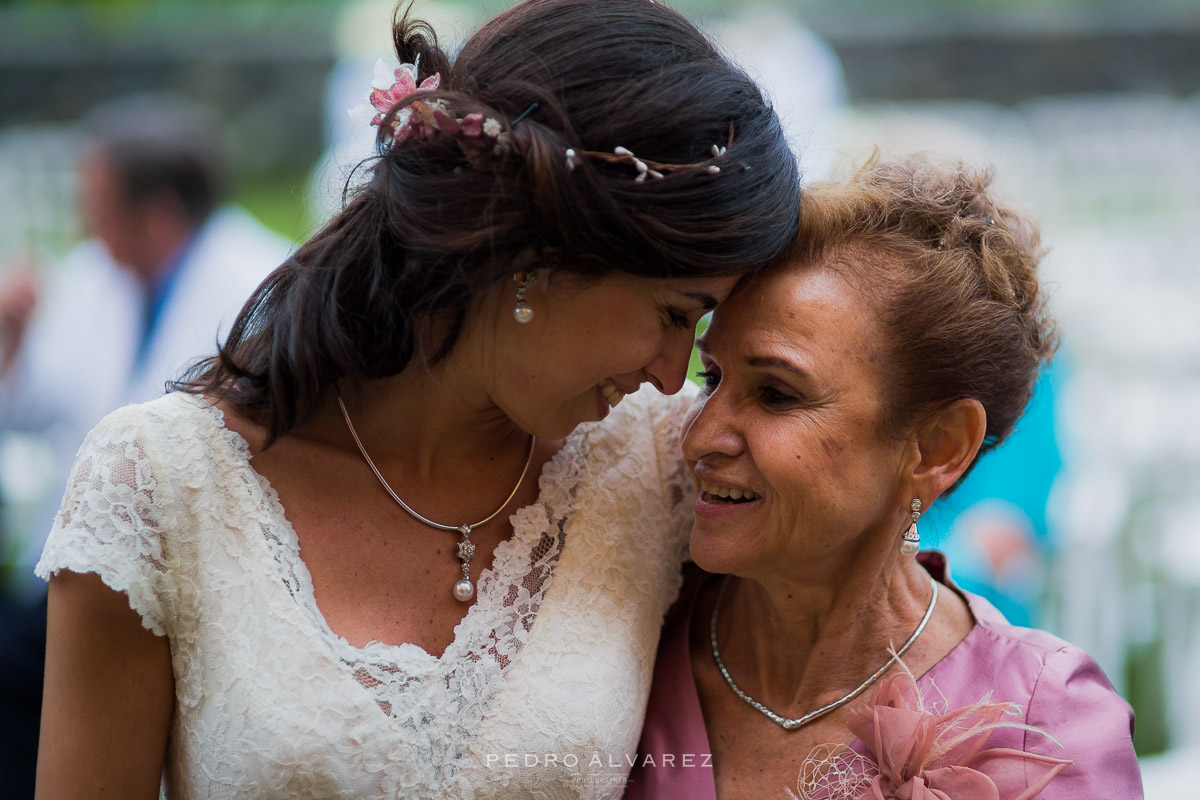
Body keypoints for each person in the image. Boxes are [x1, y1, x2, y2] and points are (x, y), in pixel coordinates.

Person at [34, 1, 802, 797]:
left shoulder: (660, 466)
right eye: (675, 314)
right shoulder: (157, 483)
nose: (673, 376)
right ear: (543, 246)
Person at [626, 155, 1142, 799]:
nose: (698, 437)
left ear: (936, 447)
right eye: (714, 378)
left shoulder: (1045, 725)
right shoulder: (626, 636)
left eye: (778, 395)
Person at [0, 94, 287, 799]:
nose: (83, 225)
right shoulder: (95, 279)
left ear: (155, 214)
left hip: (187, 570)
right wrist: (10, 337)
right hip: (73, 562)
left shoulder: (262, 287)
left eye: (96, 206)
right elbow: (34, 410)